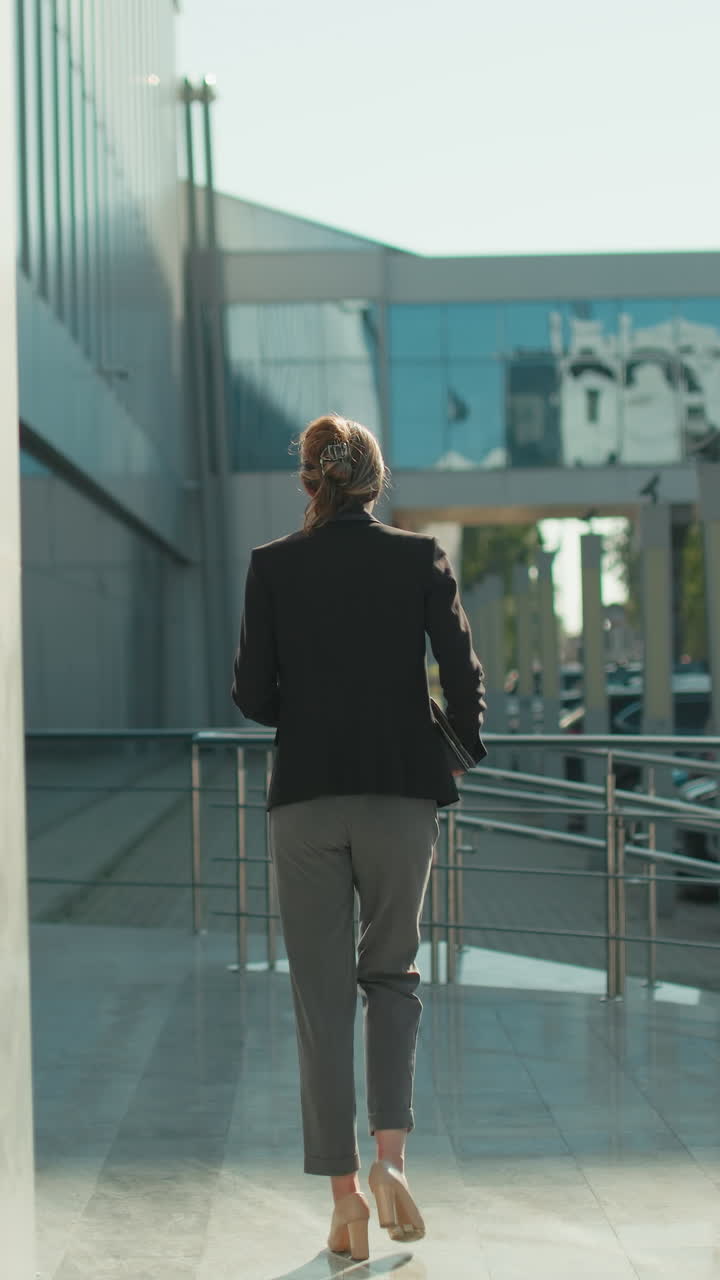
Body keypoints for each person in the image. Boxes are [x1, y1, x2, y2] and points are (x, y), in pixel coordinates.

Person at [231, 413, 486, 1262]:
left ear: (310, 481)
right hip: (400, 791)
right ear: (375, 482)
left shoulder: (272, 565)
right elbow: (462, 673)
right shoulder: (420, 558)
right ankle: (391, 1161)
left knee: (321, 999)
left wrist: (308, 712)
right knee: (392, 977)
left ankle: (343, 1200)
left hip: (305, 795)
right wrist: (455, 747)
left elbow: (251, 694)